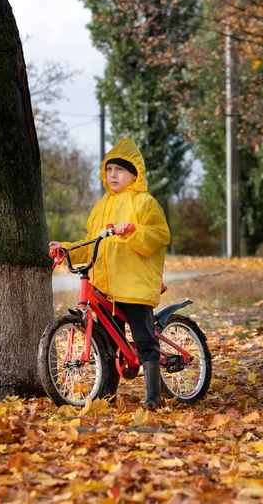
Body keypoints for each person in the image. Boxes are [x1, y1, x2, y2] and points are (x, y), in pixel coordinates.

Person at [49, 137, 170, 409]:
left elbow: (160, 235)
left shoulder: (145, 202)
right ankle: (107, 397)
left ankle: (153, 398)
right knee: (108, 343)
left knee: (144, 340)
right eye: (109, 170)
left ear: (134, 174)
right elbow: (90, 242)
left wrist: (135, 230)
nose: (113, 175)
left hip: (134, 285)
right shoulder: (101, 205)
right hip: (106, 287)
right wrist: (66, 249)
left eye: (120, 170)